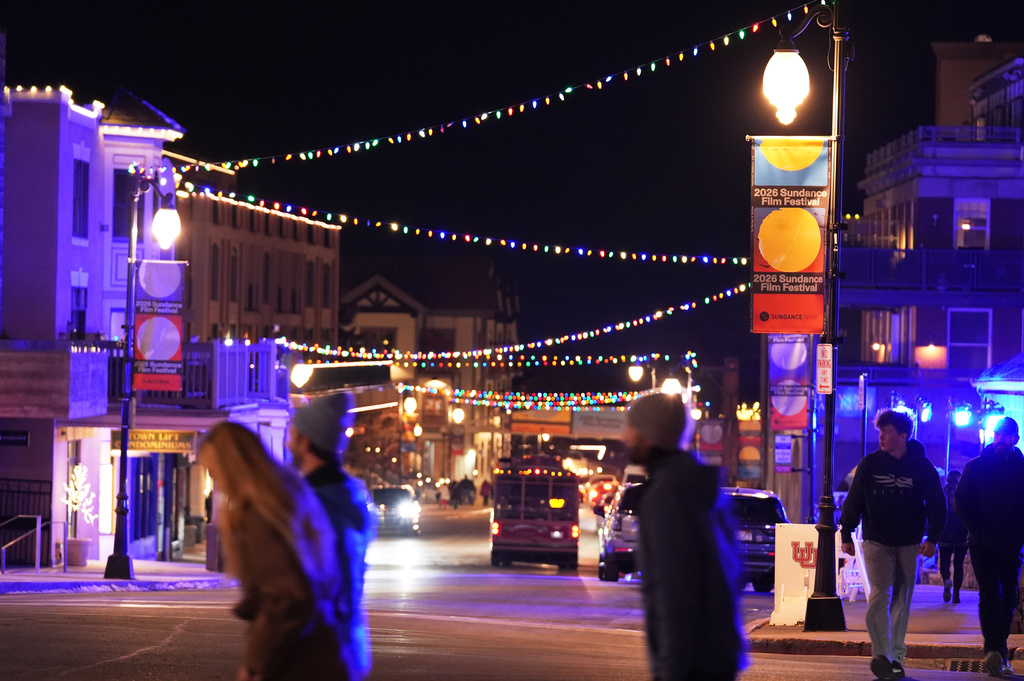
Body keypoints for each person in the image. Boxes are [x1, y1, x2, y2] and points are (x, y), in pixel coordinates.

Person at [200, 422, 349, 681]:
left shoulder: (260, 515)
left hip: (300, 662)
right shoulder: (288, 496)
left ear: (232, 466)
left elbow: (286, 598)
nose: (217, 483)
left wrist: (255, 664)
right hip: (325, 651)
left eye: (215, 472)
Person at [622, 392, 746, 681]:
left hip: (691, 665)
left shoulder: (665, 496)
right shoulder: (702, 488)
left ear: (649, 436)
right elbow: (733, 572)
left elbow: (675, 592)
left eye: (632, 427)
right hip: (718, 655)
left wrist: (672, 670)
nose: (625, 435)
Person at [840, 409, 946, 680]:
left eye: (886, 433)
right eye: (879, 432)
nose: (881, 438)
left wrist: (933, 537)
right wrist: (846, 533)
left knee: (901, 600)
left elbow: (937, 503)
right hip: (876, 541)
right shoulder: (870, 464)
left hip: (909, 544)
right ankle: (881, 654)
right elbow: (854, 500)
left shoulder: (922, 467)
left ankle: (896, 657)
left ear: (902, 436)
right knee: (879, 595)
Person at [289, 394, 376, 681]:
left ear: (306, 442)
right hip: (345, 646)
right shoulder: (349, 496)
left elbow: (311, 588)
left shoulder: (317, 507)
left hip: (319, 651)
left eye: (293, 433)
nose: (289, 442)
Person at [954, 416, 1024, 678]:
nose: (999, 439)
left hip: (1012, 543)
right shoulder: (977, 467)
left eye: (1005, 435)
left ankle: (998, 649)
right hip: (982, 543)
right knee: (990, 595)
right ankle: (994, 651)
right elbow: (961, 502)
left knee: (1009, 597)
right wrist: (977, 528)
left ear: (1016, 439)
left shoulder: (1021, 468)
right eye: (997, 434)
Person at [936, 469, 968, 605]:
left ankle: (947, 580)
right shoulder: (965, 494)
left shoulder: (942, 492)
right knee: (959, 564)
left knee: (944, 562)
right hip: (962, 533)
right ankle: (956, 595)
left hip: (945, 533)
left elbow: (936, 511)